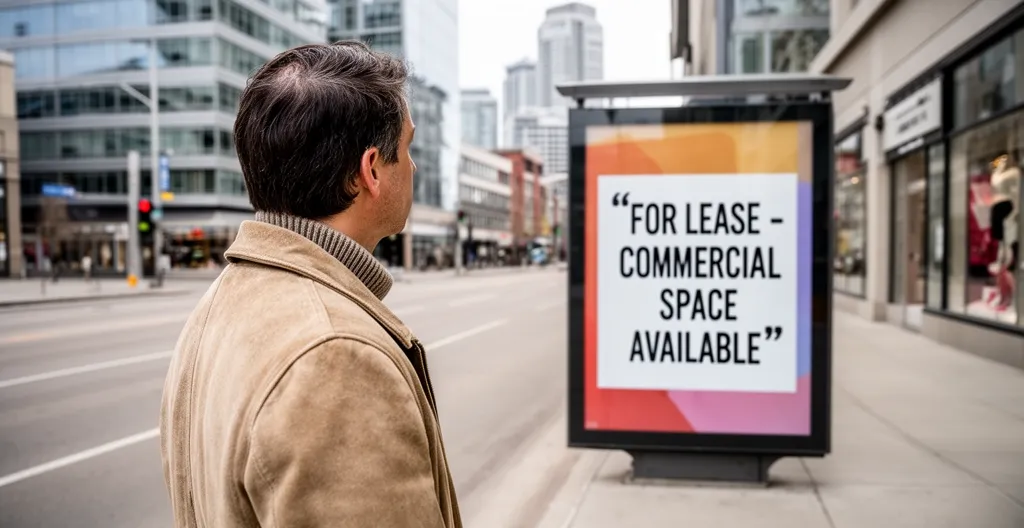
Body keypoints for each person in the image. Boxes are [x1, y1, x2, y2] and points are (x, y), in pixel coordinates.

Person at [159, 41, 461, 527]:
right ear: (370, 171)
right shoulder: (336, 357)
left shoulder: (217, 304)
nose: (414, 166)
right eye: (406, 149)